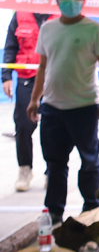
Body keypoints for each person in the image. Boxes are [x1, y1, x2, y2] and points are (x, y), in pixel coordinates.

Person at [26, 0, 99, 225]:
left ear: (84, 0)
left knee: (89, 161)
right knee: (55, 164)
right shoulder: (48, 29)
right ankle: (54, 211)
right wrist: (35, 99)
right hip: (52, 108)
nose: (70, 1)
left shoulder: (95, 30)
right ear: (57, 0)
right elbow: (43, 67)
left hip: (85, 108)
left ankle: (91, 209)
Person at [3, 12, 52, 191]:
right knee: (23, 126)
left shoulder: (60, 14)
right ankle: (25, 169)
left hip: (54, 80)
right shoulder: (20, 14)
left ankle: (51, 172)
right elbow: (10, 47)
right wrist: (6, 76)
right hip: (26, 79)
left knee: (52, 128)